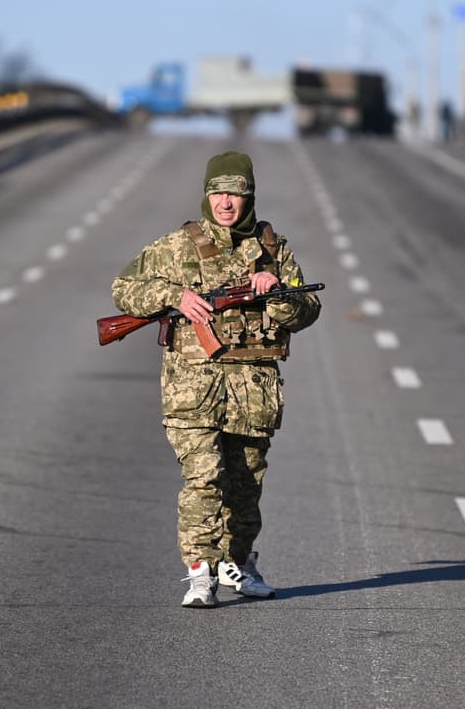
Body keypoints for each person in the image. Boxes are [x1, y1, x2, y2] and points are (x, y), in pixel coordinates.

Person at [111, 151, 321, 608]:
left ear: (250, 197)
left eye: (236, 194)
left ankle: (238, 564)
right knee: (204, 479)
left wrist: (275, 294)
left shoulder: (271, 248)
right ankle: (200, 572)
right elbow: (124, 289)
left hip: (253, 389)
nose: (226, 203)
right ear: (207, 195)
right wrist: (175, 296)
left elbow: (307, 311)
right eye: (218, 193)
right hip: (192, 389)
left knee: (246, 484)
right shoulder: (176, 245)